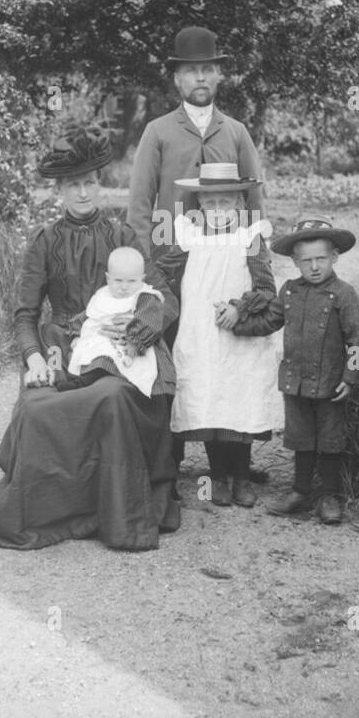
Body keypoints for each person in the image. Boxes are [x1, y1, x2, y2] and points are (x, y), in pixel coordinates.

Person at [0, 122, 179, 552]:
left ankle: (115, 509)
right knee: (36, 407)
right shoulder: (45, 241)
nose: (83, 193)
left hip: (121, 350)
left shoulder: (124, 237)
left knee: (111, 397)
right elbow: (25, 315)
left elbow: (164, 296)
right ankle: (52, 506)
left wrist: (139, 328)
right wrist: (34, 358)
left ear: (100, 183)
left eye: (89, 183)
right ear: (60, 191)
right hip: (62, 349)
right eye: (73, 186)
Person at [157, 162, 283, 508]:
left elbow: (265, 287)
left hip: (238, 336)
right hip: (200, 335)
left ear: (240, 203)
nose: (217, 211)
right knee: (208, 398)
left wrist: (240, 308)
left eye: (225, 203)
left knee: (237, 397)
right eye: (209, 204)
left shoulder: (250, 238)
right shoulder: (188, 236)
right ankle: (216, 476)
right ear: (199, 206)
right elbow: (165, 272)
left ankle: (241, 475)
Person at [229, 216, 359, 525]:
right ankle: (300, 492)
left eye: (321, 259)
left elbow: (357, 341)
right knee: (301, 438)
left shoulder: (343, 294)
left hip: (332, 384)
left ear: (334, 257)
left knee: (331, 439)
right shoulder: (289, 291)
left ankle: (330, 495)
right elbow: (271, 321)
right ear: (295, 261)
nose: (314, 267)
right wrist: (239, 325)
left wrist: (351, 377)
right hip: (295, 382)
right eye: (307, 261)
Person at [127, 26, 265, 258]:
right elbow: (140, 203)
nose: (200, 77)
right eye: (191, 70)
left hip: (227, 254)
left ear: (219, 75)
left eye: (208, 69)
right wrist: (142, 261)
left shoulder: (236, 131)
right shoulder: (157, 131)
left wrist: (258, 256)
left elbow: (254, 200)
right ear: (177, 79)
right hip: (170, 251)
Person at [68, 246, 163, 398]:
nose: (124, 287)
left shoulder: (145, 297)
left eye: (132, 281)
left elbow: (150, 321)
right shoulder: (103, 295)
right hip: (98, 340)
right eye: (118, 281)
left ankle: (85, 381)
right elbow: (89, 316)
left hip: (129, 344)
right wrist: (76, 334)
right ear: (108, 278)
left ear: (142, 279)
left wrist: (135, 341)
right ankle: (82, 378)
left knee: (106, 357)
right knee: (86, 353)